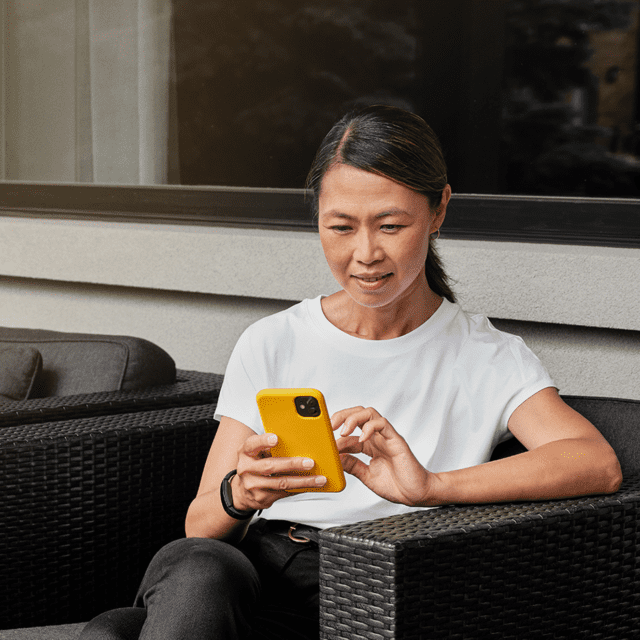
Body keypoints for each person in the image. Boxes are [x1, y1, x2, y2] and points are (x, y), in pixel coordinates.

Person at [80, 105, 622, 640]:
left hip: (380, 586)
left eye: (391, 225)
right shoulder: (274, 340)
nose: (365, 254)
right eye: (340, 227)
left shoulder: (485, 354)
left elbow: (594, 463)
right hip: (254, 576)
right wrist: (239, 494)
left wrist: (432, 487)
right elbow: (200, 525)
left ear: (438, 211)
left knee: (114, 632)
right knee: (195, 564)